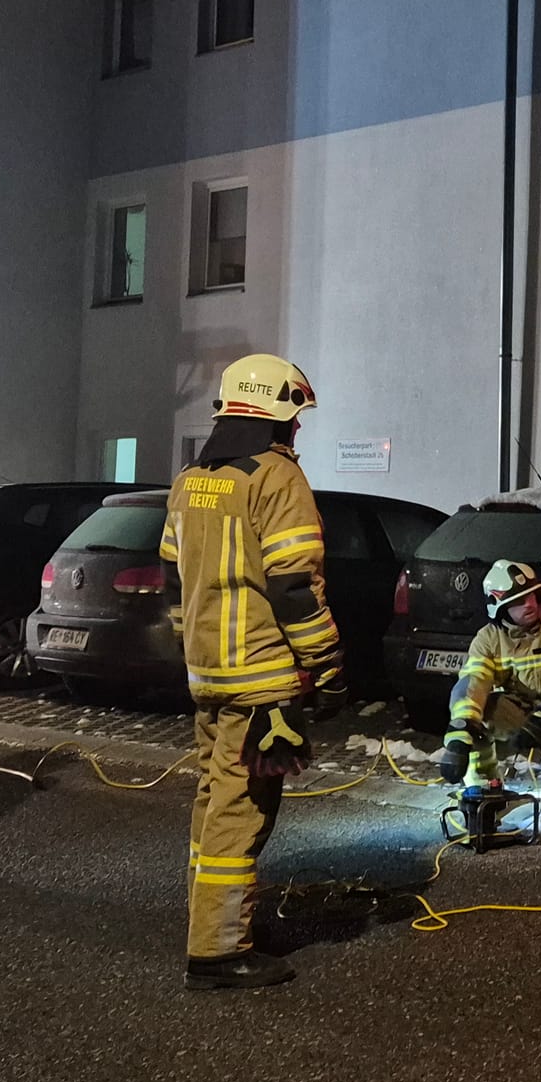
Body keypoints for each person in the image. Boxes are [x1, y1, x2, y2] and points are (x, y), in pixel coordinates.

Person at [160, 353, 345, 990]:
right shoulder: (274, 477)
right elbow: (294, 585)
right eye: (296, 418)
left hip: (208, 675)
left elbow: (171, 575)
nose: (298, 431)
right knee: (241, 810)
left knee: (213, 802)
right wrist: (326, 663)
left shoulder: (192, 478)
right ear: (279, 415)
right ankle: (217, 951)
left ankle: (208, 921)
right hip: (262, 677)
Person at [439, 559, 541, 801]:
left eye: (532, 596)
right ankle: (485, 789)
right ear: (499, 607)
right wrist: (459, 733)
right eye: (518, 601)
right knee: (478, 720)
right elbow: (473, 682)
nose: (529, 604)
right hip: (517, 708)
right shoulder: (488, 639)